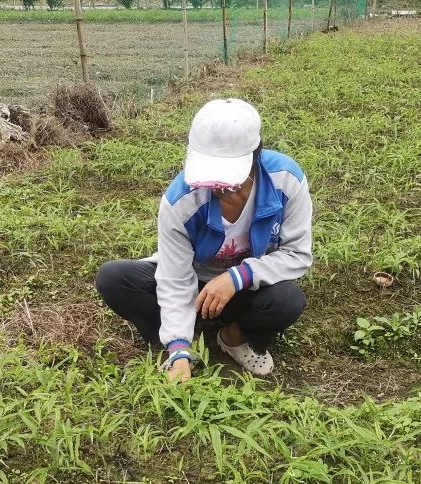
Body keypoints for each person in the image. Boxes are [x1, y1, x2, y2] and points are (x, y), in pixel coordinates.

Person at [95, 98, 313, 383]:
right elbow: (175, 278)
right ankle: (182, 340)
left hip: (246, 289)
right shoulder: (180, 201)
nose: (217, 186)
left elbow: (297, 254)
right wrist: (178, 348)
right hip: (196, 280)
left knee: (286, 299)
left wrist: (238, 276)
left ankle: (234, 335)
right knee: (114, 278)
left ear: (254, 156)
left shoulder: (286, 179)